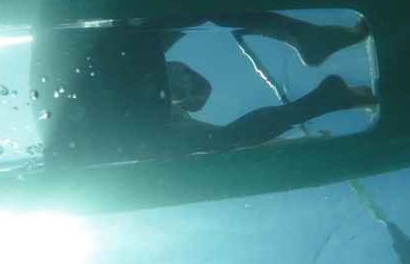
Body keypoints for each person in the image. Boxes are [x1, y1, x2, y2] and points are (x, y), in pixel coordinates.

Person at [29, 11, 376, 168]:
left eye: (188, 88)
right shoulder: (143, 48)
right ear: (179, 66)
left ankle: (312, 60)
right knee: (196, 7)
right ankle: (307, 47)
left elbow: (225, 140)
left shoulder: (143, 51)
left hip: (85, 123)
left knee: (194, 8)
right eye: (191, 80)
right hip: (83, 114)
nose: (185, 80)